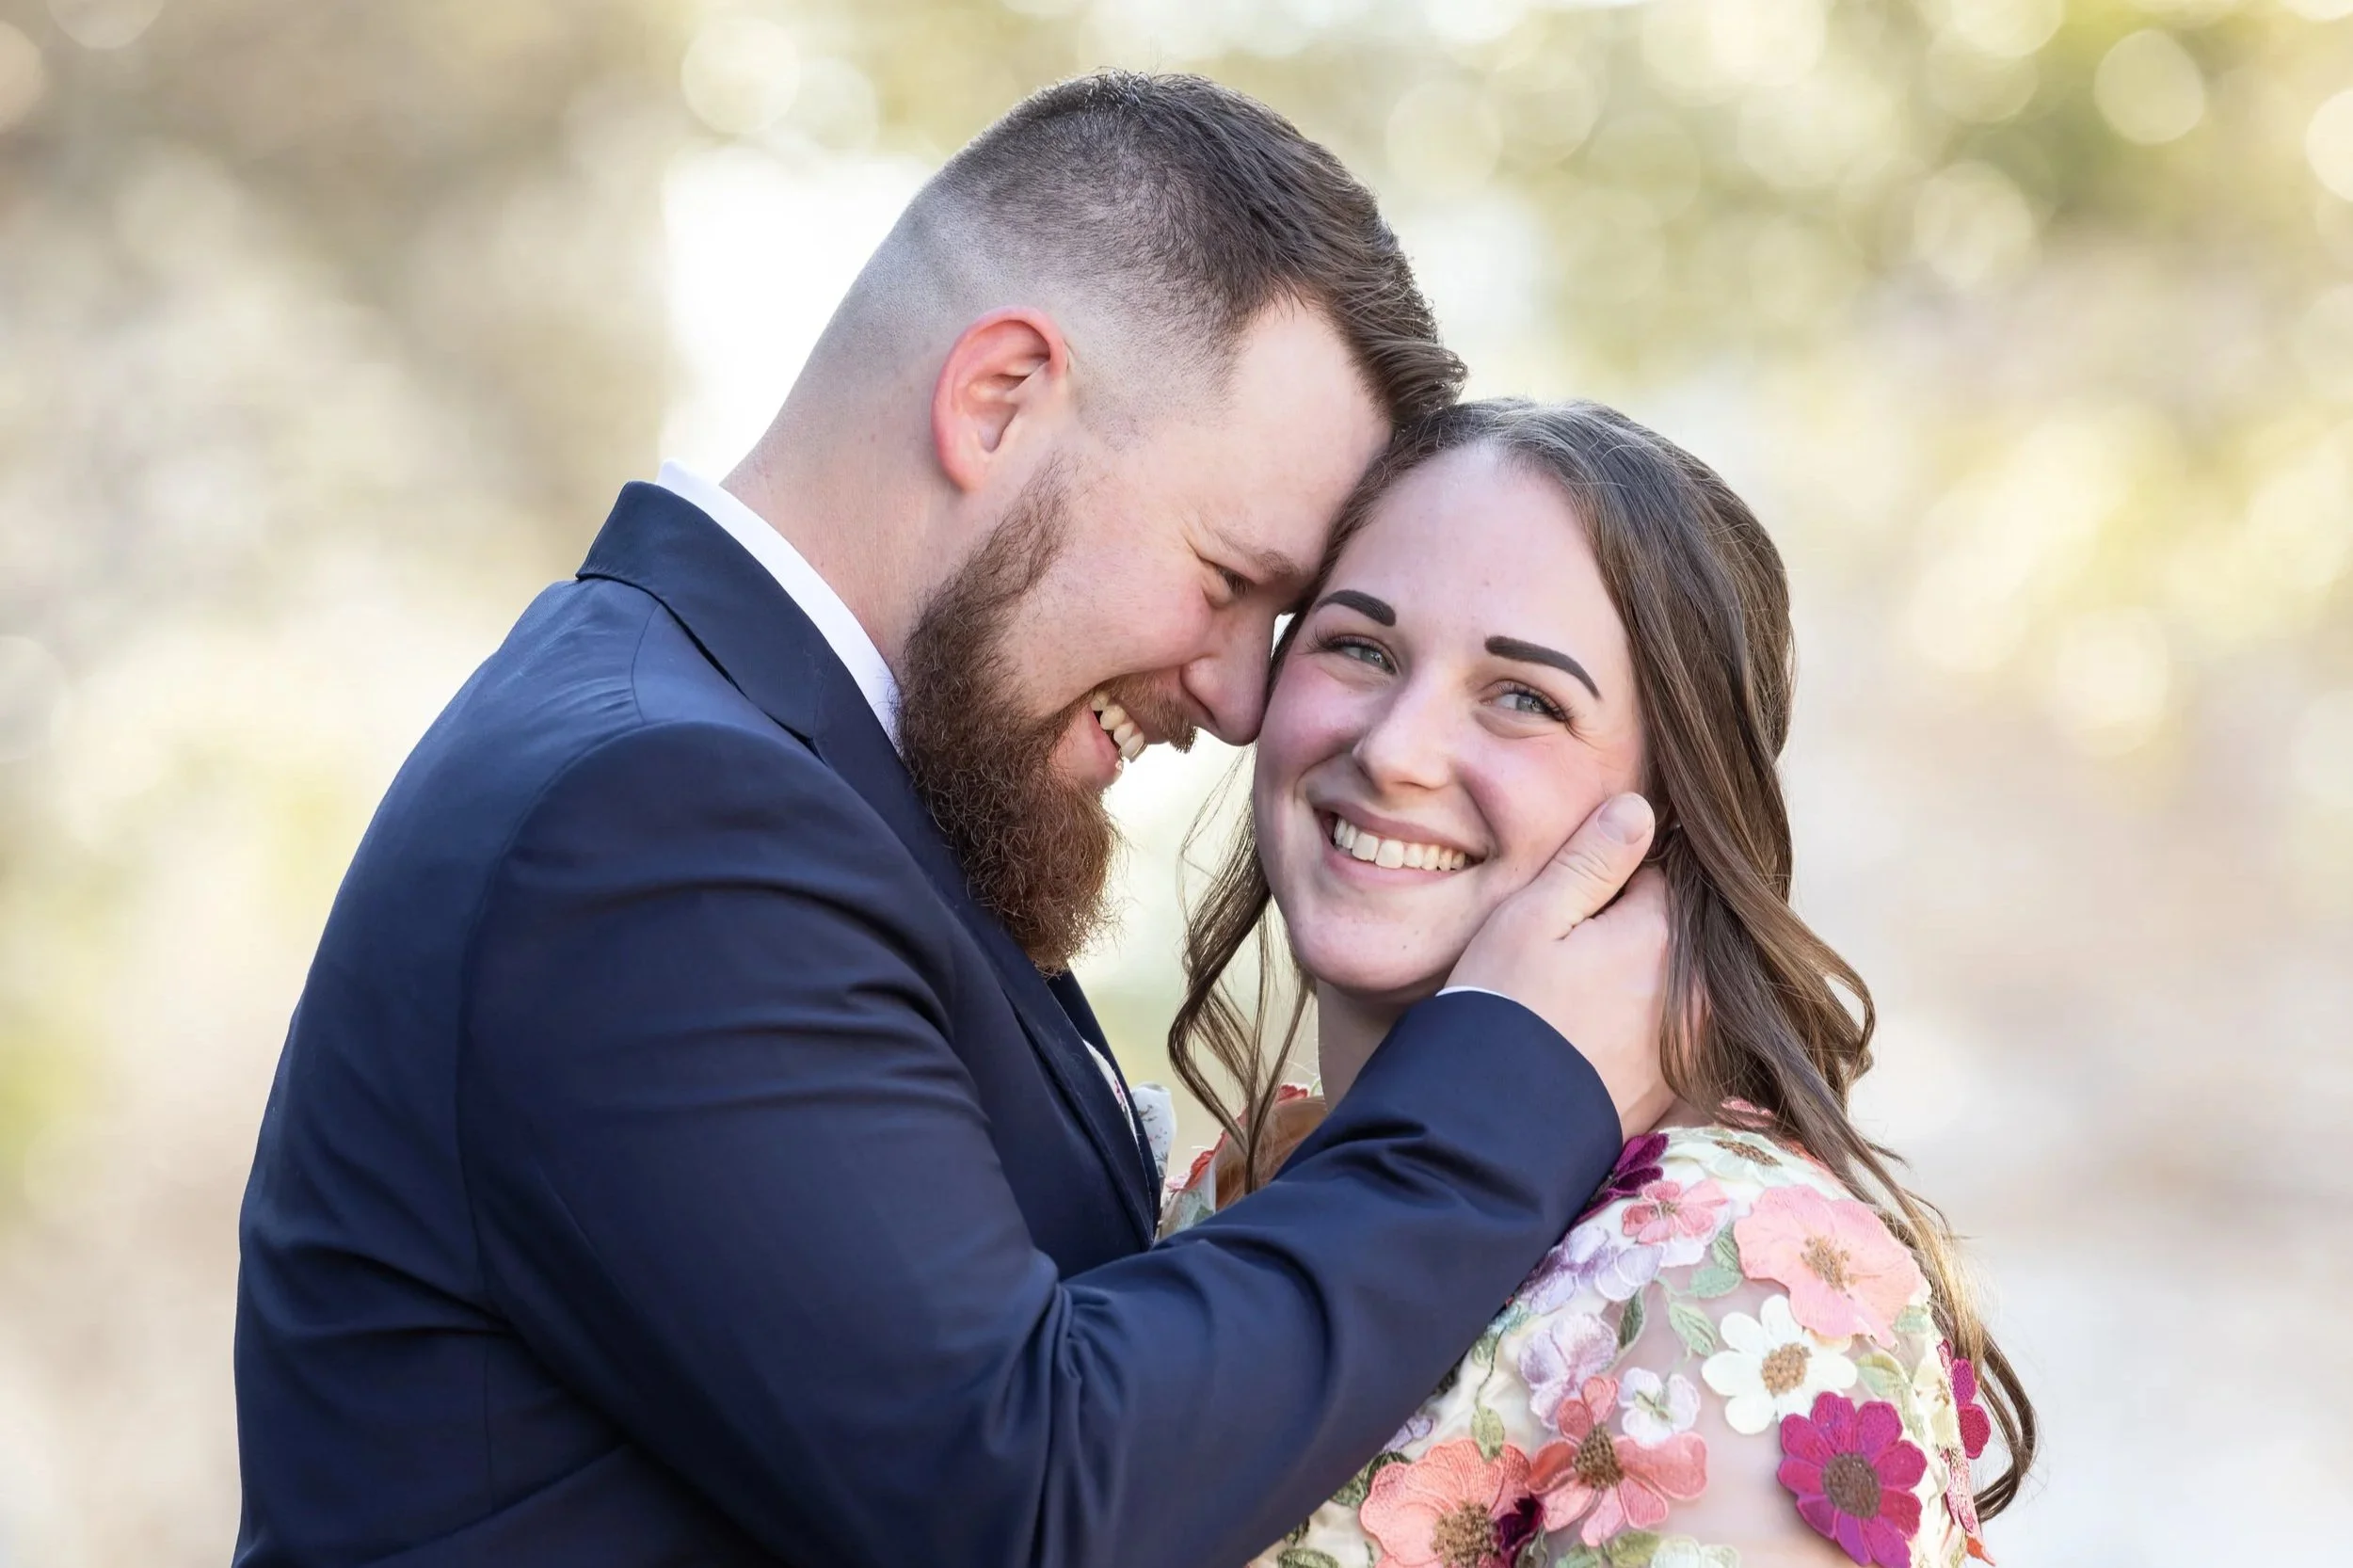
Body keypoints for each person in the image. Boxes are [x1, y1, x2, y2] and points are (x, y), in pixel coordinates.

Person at [230, 75, 1676, 1568]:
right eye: (1226, 578)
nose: (1244, 697)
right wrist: (1512, 1075)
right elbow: (1022, 1496)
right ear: (997, 398)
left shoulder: (805, 781)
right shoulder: (662, 829)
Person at [1163, 400, 2040, 1566]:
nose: (1394, 749)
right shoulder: (1234, 1186)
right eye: (1359, 647)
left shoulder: (1732, 1283)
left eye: (1524, 698)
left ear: (1675, 809)